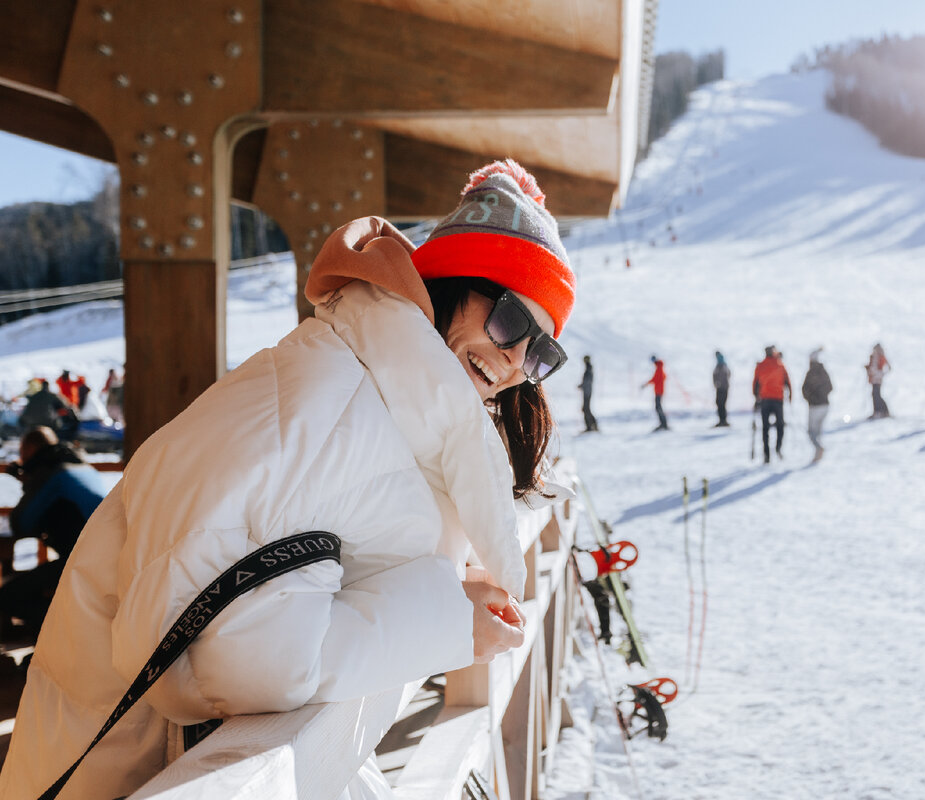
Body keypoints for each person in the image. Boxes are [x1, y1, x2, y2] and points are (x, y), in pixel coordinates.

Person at [0, 159, 575, 800]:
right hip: (123, 775)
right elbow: (223, 661)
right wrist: (449, 621)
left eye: (542, 350)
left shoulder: (378, 403)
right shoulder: (326, 401)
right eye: (509, 322)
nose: (517, 361)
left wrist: (438, 587)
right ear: (446, 289)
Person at [0, 427, 105, 640]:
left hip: (84, 564)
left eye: (22, 451)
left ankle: (62, 639)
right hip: (104, 560)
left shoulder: (49, 473)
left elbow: (21, 522)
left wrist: (30, 485)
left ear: (30, 448)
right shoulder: (80, 465)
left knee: (7, 597)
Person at [753, 346, 791, 463]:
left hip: (765, 400)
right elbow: (787, 382)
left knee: (765, 428)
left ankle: (767, 455)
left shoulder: (760, 365)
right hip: (778, 400)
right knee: (780, 425)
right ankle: (778, 448)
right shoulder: (780, 365)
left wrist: (756, 397)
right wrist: (790, 395)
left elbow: (755, 383)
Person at [801, 348, 833, 462]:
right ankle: (817, 453)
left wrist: (812, 398)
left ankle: (818, 448)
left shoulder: (810, 373)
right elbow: (830, 387)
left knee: (811, 431)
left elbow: (804, 389)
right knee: (818, 431)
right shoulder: (823, 372)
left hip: (815, 406)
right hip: (825, 405)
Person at [865, 343, 891, 419]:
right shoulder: (875, 356)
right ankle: (878, 411)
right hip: (874, 379)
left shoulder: (880, 356)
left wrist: (879, 374)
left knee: (876, 395)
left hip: (877, 379)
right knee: (874, 394)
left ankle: (882, 411)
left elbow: (887, 368)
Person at [645, 356, 668, 431]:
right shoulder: (659, 367)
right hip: (658, 390)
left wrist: (647, 383)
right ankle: (663, 423)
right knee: (658, 407)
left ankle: (664, 424)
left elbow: (656, 379)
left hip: (659, 391)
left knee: (658, 407)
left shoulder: (659, 368)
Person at [579, 355, 599, 432]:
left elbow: (588, 381)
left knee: (586, 409)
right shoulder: (589, 368)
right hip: (587, 391)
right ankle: (592, 425)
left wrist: (583, 385)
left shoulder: (588, 368)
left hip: (587, 392)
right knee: (586, 409)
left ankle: (590, 426)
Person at [713, 351, 731, 427]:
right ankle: (722, 420)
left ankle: (723, 420)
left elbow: (725, 375)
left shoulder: (721, 366)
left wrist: (720, 383)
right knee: (719, 404)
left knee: (721, 404)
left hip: (722, 388)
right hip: (721, 387)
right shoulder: (721, 365)